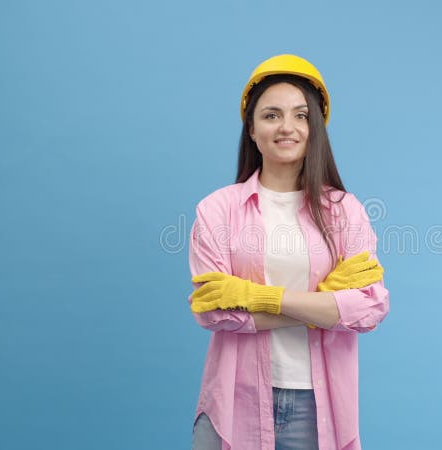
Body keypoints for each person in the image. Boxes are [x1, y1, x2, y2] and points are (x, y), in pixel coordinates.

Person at [187, 54, 390, 450]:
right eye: (271, 115)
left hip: (318, 408)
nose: (287, 127)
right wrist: (324, 308)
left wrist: (255, 297)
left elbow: (368, 308)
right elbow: (212, 311)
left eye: (301, 116)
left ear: (315, 128)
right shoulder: (216, 210)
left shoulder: (345, 211)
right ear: (251, 129)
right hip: (232, 400)